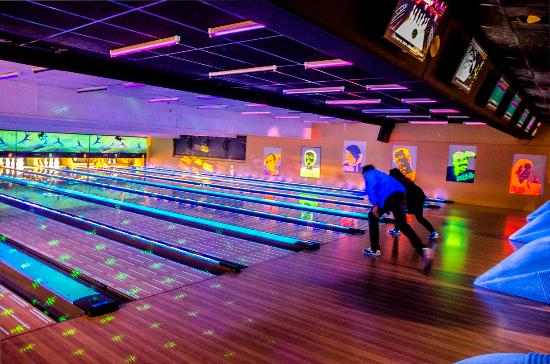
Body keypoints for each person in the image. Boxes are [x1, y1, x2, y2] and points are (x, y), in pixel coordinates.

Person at [362, 165, 433, 271]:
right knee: (402, 225)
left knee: (372, 216)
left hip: (388, 195)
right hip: (401, 194)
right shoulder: (382, 175)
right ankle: (423, 250)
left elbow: (372, 187)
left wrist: (376, 204)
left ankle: (374, 249)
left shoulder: (370, 173)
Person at [388, 168, 438, 239]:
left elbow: (402, 196)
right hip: (419, 197)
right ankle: (434, 232)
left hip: (415, 199)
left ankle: (397, 230)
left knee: (398, 212)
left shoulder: (399, 182)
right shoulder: (403, 179)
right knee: (419, 217)